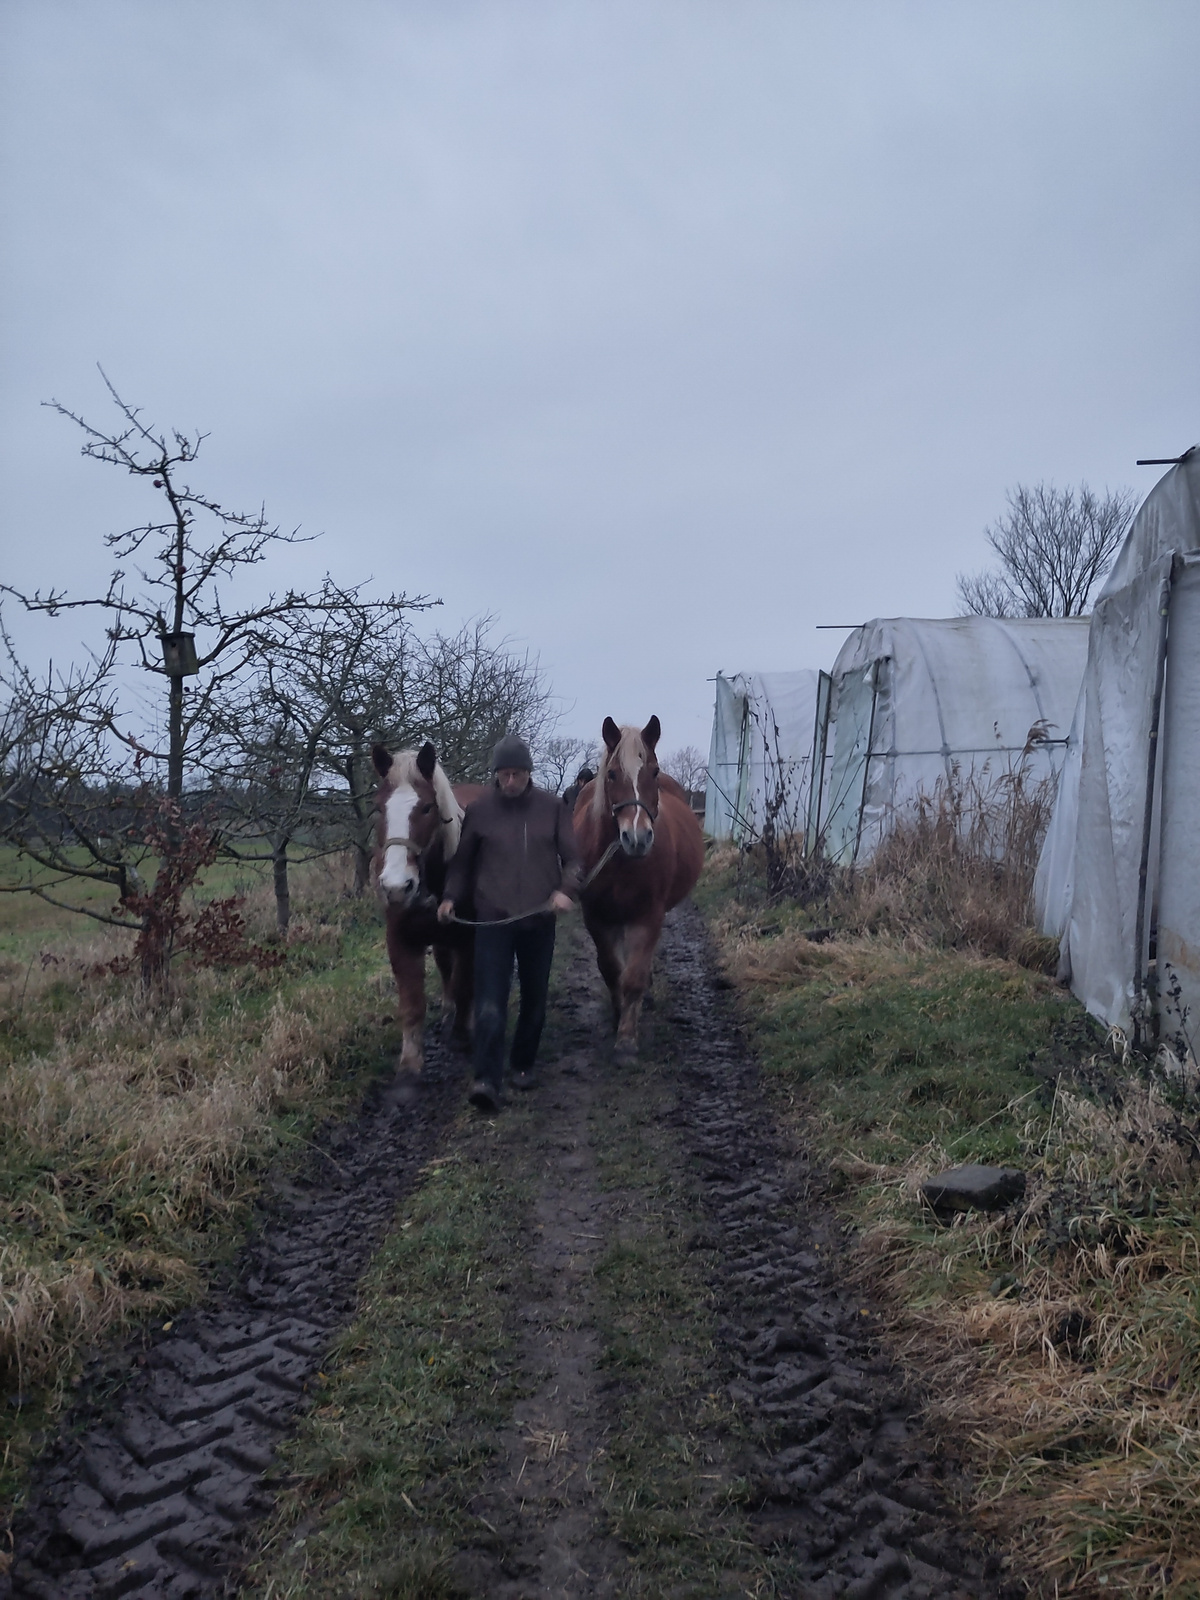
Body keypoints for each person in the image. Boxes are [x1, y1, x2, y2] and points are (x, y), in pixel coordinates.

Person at [439, 734, 581, 1112]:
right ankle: (486, 1078)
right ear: (496, 775)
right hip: (492, 920)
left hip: (539, 918)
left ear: (529, 773)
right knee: (489, 1002)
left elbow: (574, 860)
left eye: (517, 773)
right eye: (504, 774)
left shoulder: (552, 808)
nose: (511, 781)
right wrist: (450, 897)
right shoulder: (481, 811)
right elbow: (462, 863)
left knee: (534, 998)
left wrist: (566, 890)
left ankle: (522, 1063)